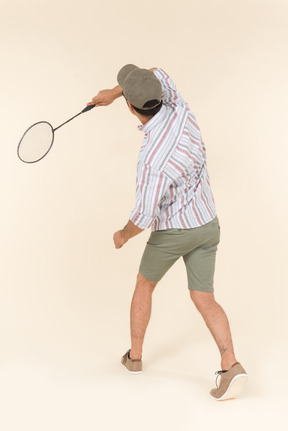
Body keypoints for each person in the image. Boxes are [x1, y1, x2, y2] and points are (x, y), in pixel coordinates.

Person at [87, 65, 248, 400]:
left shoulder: (151, 159)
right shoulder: (179, 108)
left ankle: (134, 357)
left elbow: (144, 216)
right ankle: (231, 364)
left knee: (145, 284)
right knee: (204, 297)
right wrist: (115, 92)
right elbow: (155, 71)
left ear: (131, 107)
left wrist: (122, 234)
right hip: (207, 223)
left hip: (174, 231)